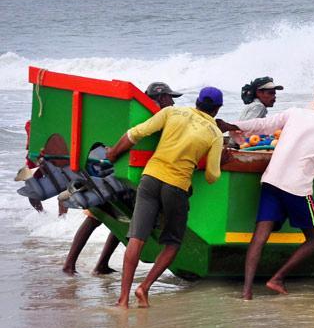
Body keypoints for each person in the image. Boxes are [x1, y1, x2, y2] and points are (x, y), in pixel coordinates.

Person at [220, 88, 314, 300]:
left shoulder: (295, 112)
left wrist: (231, 126)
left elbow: (263, 125)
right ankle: (277, 278)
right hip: (297, 188)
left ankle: (246, 292)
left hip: (271, 179)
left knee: (259, 236)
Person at [105, 87, 225, 308]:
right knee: (172, 243)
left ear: (197, 101)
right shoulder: (215, 133)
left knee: (136, 239)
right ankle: (144, 288)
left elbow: (135, 133)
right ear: (217, 109)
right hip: (176, 187)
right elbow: (212, 176)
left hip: (150, 178)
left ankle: (123, 299)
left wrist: (113, 154)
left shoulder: (172, 112)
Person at [62, 82, 181, 275]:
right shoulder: (154, 115)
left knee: (119, 218)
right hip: (115, 172)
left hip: (115, 170)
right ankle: (70, 264)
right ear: (160, 98)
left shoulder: (141, 112)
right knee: (97, 216)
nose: (173, 103)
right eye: (170, 98)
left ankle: (98, 264)